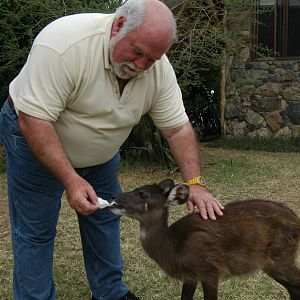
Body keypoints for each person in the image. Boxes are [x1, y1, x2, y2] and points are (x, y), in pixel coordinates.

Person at [0, 0, 224, 299]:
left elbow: (177, 128)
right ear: (118, 26)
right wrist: (71, 178)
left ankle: (109, 291)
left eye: (153, 59)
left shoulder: (157, 70)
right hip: (32, 135)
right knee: (36, 230)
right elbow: (35, 119)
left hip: (100, 154)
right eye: (138, 52)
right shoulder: (64, 45)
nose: (142, 66)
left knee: (106, 217)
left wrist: (195, 183)